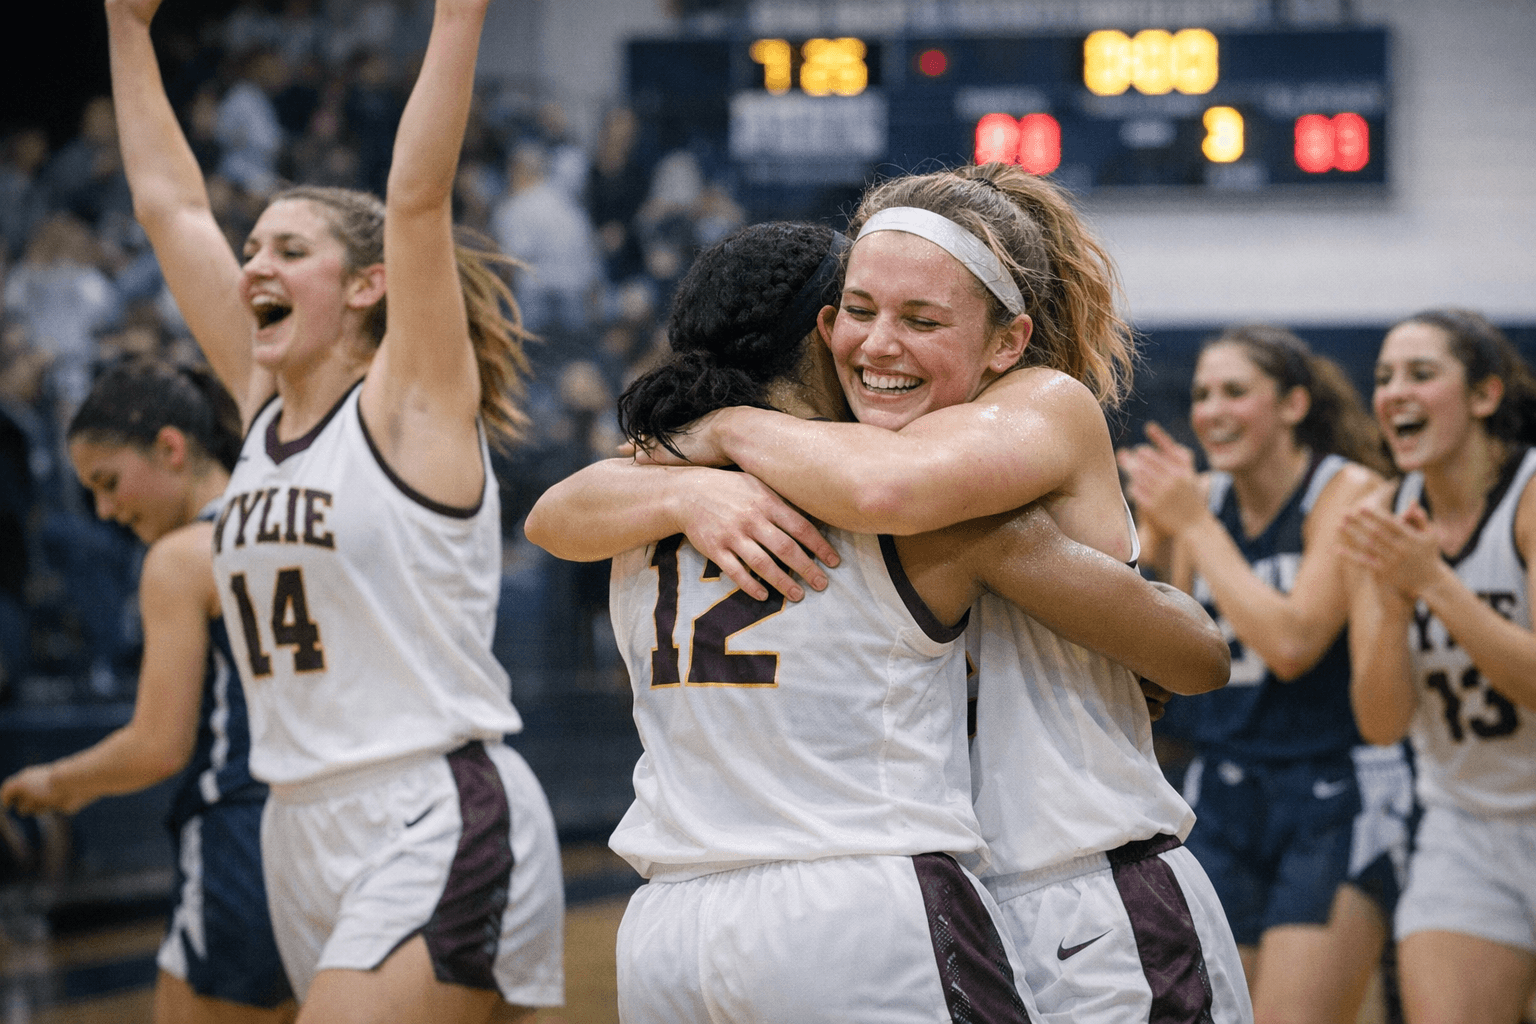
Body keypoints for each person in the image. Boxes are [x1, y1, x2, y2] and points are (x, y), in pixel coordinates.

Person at [530, 165, 1249, 1023]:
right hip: (940, 897)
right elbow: (554, 513)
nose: (876, 345)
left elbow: (1197, 653)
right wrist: (688, 483)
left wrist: (716, 432)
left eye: (921, 317)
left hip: (1084, 887)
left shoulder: (1030, 409)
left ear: (1005, 339)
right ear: (823, 327)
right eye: (859, 312)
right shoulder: (825, 463)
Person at [104, 0, 563, 1020]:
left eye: (287, 251)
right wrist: (127, 30)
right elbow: (171, 206)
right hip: (295, 821)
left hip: (431, 806)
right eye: (253, 247)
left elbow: (415, 198)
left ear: (366, 288)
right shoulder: (263, 409)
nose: (253, 265)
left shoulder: (412, 407)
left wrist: (458, 17)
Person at [1117, 324, 1408, 1024]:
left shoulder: (1350, 490)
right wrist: (1152, 543)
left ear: (1293, 404)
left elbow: (1293, 643)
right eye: (1203, 394)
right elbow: (1174, 665)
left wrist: (1196, 527)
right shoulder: (1200, 501)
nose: (1212, 410)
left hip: (1334, 792)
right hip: (1224, 788)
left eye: (1235, 392)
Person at [1, 357, 295, 1024]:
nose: (105, 510)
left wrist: (55, 781)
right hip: (334, 826)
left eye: (108, 483)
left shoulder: (180, 558)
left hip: (239, 830)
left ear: (171, 447)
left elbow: (157, 746)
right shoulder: (291, 522)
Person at [1341, 308, 1536, 1024]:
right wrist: (1393, 610)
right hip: (1466, 827)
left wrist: (1433, 584)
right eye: (1385, 377)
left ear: (1485, 396)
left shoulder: (1530, 496)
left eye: (1422, 375)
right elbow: (1382, 721)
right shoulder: (1383, 514)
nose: (1393, 393)